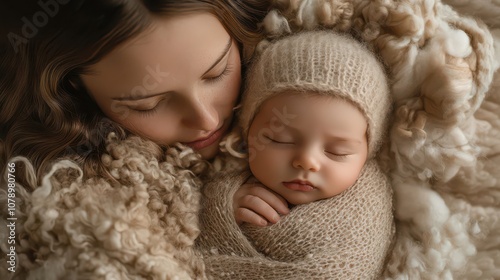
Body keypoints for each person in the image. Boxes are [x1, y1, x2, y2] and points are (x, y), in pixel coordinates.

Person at [0, 1, 271, 278]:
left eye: (217, 73)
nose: (207, 120)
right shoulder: (69, 206)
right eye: (148, 104)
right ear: (73, 87)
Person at [197, 30, 395, 279]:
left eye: (337, 151)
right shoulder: (220, 178)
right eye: (280, 139)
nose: (307, 161)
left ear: (367, 154)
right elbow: (186, 235)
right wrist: (222, 208)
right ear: (246, 133)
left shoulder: (366, 210)